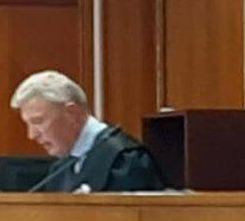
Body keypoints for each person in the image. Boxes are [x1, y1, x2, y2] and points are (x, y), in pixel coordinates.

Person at [10, 70, 166, 192]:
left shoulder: (123, 160)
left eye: (38, 122)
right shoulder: (60, 169)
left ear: (72, 113)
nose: (32, 135)